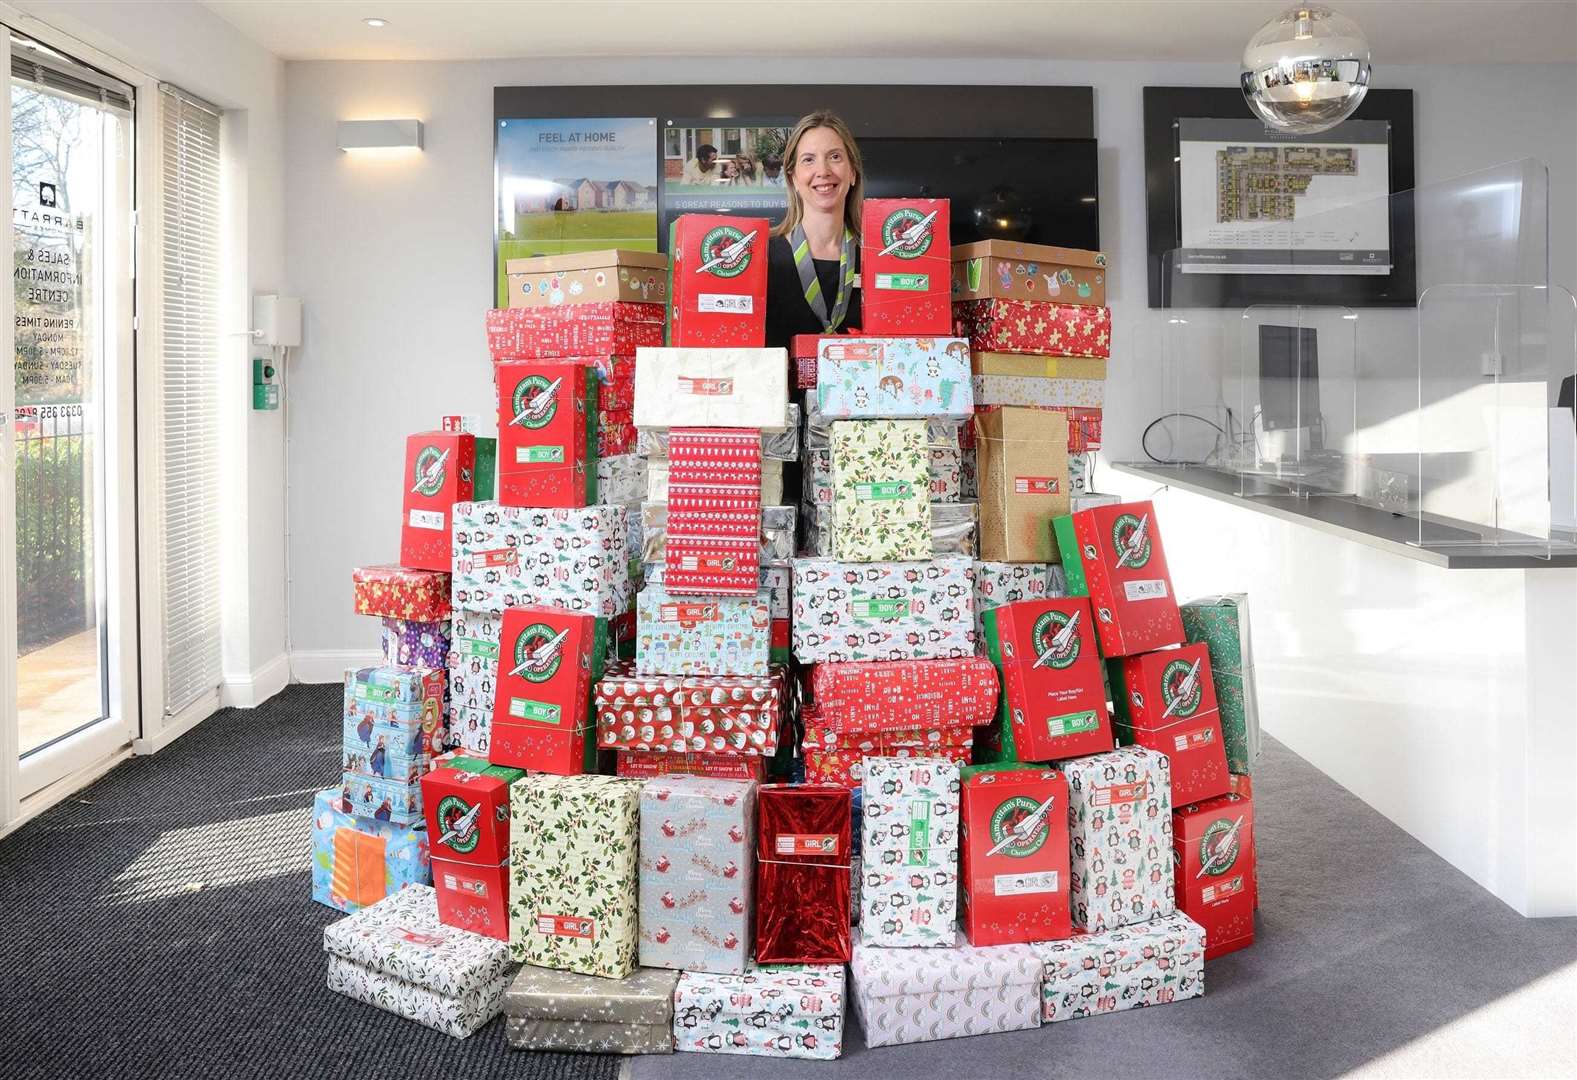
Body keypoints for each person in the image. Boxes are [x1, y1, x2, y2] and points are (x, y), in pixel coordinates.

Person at [764, 111, 864, 350]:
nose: (823, 170)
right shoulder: (762, 257)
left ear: (852, 172)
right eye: (809, 159)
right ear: (793, 179)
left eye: (835, 157)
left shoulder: (878, 260)